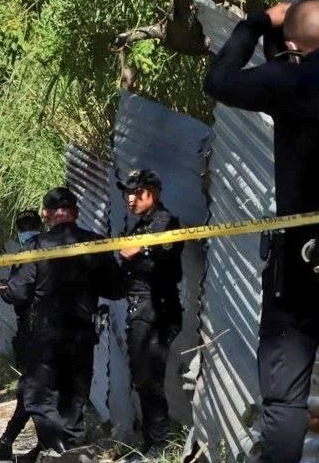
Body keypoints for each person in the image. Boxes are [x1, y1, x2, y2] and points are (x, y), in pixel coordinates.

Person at [204, 0, 319, 463]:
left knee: (285, 398)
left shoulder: (291, 80)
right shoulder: (299, 74)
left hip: (302, 262)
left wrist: (257, 23)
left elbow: (219, 81)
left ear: (293, 46)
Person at [0, 187, 122, 457]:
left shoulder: (36, 247)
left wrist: (6, 289)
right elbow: (115, 289)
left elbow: (18, 293)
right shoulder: (96, 244)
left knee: (36, 397)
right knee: (72, 401)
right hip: (82, 334)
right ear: (75, 212)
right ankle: (70, 451)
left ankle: (58, 446)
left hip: (45, 336)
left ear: (45, 214)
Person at [115, 169, 183, 458]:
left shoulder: (164, 222)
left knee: (149, 379)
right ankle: (150, 442)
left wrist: (139, 249)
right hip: (141, 308)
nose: (130, 199)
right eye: (127, 193)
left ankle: (158, 445)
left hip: (157, 309)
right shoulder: (141, 225)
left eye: (136, 192)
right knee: (143, 377)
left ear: (152, 193)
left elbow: (164, 256)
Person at [0, 209, 43, 462]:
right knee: (32, 391)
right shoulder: (46, 250)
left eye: (27, 227)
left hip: (35, 333)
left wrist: (6, 291)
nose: (26, 232)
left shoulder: (29, 253)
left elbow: (20, 294)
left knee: (30, 391)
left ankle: (16, 442)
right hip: (38, 332)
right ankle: (28, 444)